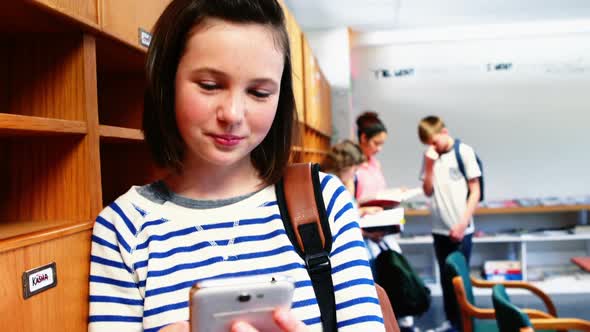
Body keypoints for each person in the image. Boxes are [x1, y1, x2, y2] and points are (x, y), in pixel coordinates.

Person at [88, 1, 384, 331]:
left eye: (259, 92)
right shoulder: (124, 228)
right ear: (166, 81)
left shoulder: (324, 203)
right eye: (210, 86)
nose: (232, 113)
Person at [418, 115, 482, 332]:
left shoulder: (464, 152)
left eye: (435, 142)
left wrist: (463, 224)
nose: (432, 147)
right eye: (429, 145)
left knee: (460, 282)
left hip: (461, 228)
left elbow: (475, 190)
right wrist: (429, 165)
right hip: (439, 229)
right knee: (446, 280)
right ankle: (451, 323)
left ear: (444, 132)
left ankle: (465, 323)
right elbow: (427, 191)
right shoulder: (430, 157)